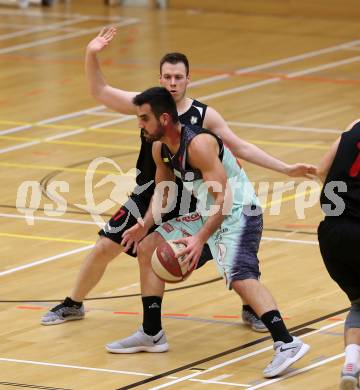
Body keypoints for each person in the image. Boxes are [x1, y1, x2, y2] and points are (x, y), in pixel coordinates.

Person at [41, 27, 316, 334]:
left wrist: (286, 168)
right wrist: (91, 54)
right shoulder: (147, 104)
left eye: (178, 77)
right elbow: (100, 92)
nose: (173, 82)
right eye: (168, 77)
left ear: (188, 80)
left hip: (192, 198)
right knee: (106, 245)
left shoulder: (203, 116)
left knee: (226, 248)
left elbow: (241, 147)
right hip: (152, 192)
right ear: (160, 79)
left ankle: (252, 307)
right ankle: (74, 303)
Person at [105, 87, 310, 379]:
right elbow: (164, 193)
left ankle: (287, 342)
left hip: (240, 210)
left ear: (164, 118)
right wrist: (145, 222)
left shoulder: (199, 144)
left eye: (143, 118)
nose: (139, 124)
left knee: (239, 275)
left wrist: (200, 239)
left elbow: (225, 201)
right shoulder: (159, 147)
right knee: (149, 244)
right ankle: (152, 333)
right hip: (207, 212)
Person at [317, 119, 360, 390]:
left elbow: (322, 171)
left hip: (331, 233)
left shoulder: (354, 125)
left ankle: (351, 364)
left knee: (358, 304)